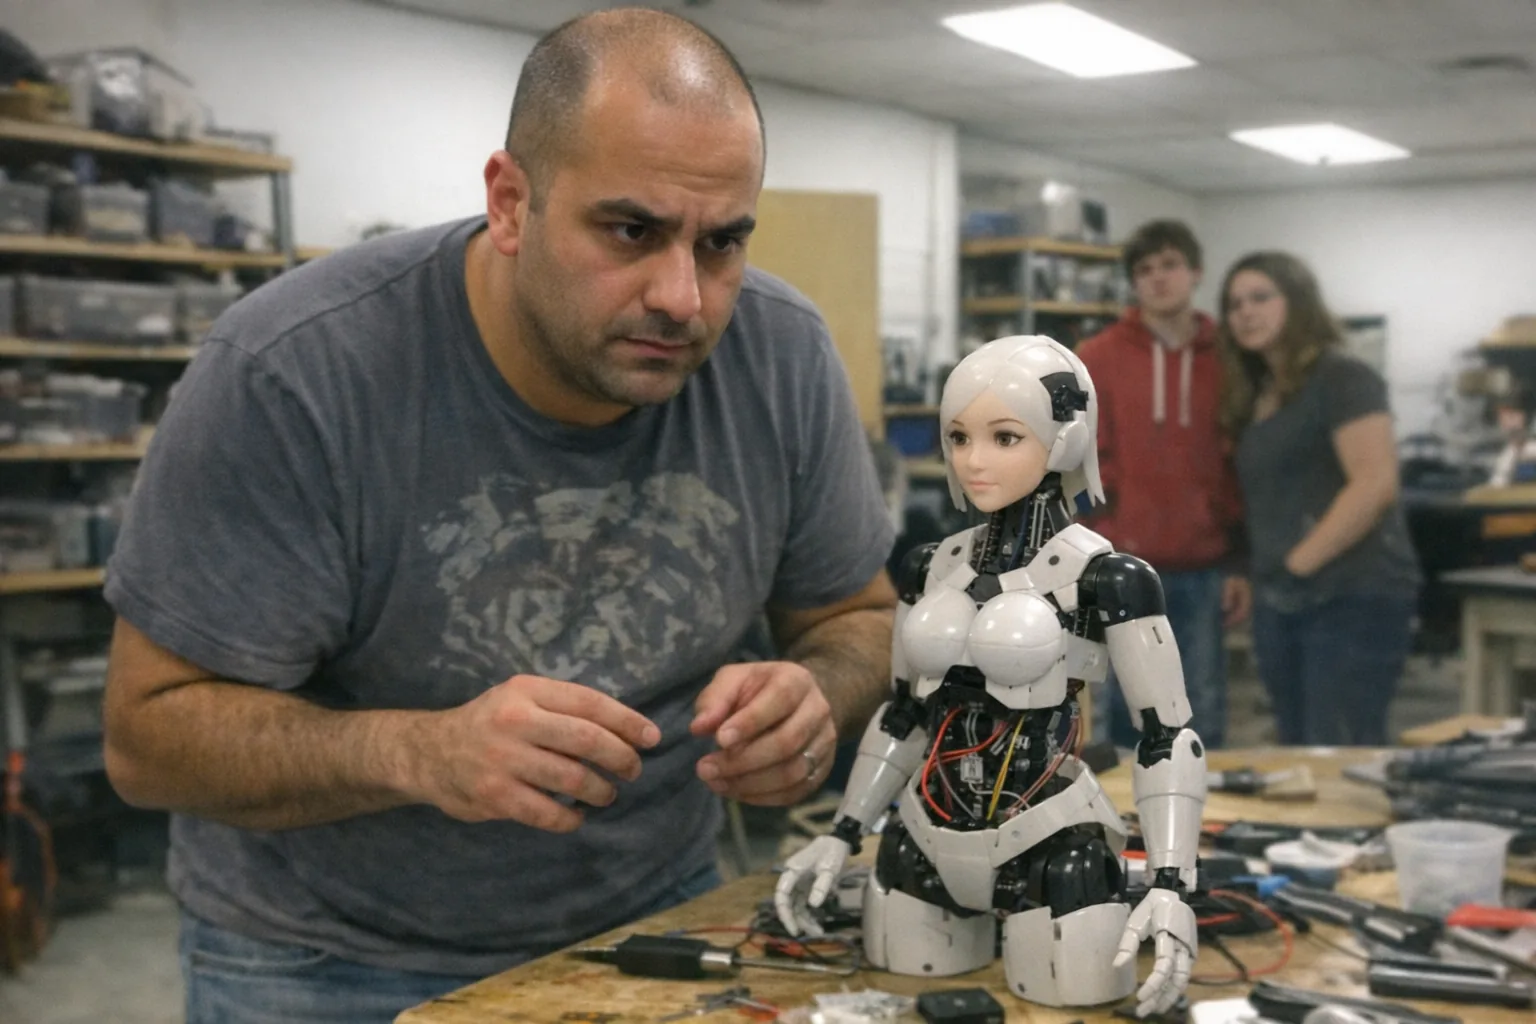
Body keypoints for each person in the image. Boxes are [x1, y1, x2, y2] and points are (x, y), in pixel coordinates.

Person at [99, 10, 897, 1023]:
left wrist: (818, 694)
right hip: (325, 962)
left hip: (658, 923)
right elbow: (146, 735)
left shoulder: (781, 355)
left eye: (723, 241)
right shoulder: (294, 372)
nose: (683, 297)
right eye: (632, 230)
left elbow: (860, 618)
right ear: (511, 203)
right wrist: (419, 752)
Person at [776, 336, 1206, 1019]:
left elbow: (1168, 734)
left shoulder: (1107, 578)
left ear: (1064, 439)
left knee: (1069, 1008)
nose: (974, 460)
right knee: (903, 1003)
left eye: (1005, 436)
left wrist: (1171, 883)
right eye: (959, 436)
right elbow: (903, 714)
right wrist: (843, 830)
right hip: (920, 839)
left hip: (1052, 847)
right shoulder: (929, 566)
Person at [1217, 251, 1421, 746]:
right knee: (1298, 748)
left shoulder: (1343, 378)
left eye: (1261, 297)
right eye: (1234, 303)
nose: (1245, 311)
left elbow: (1374, 484)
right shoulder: (1258, 396)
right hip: (1283, 600)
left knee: (1339, 749)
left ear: (1299, 302)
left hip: (1351, 596)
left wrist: (1299, 563)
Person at [1077, 220, 1248, 750]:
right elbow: (1080, 453)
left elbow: (1240, 458)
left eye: (1169, 265)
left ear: (1195, 272)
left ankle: (1198, 828)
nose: (1157, 279)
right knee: (1129, 718)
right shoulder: (1098, 355)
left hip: (1204, 566)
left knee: (1200, 717)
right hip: (1124, 569)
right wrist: (1101, 534)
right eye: (1144, 270)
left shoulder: (1232, 356)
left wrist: (1240, 562)